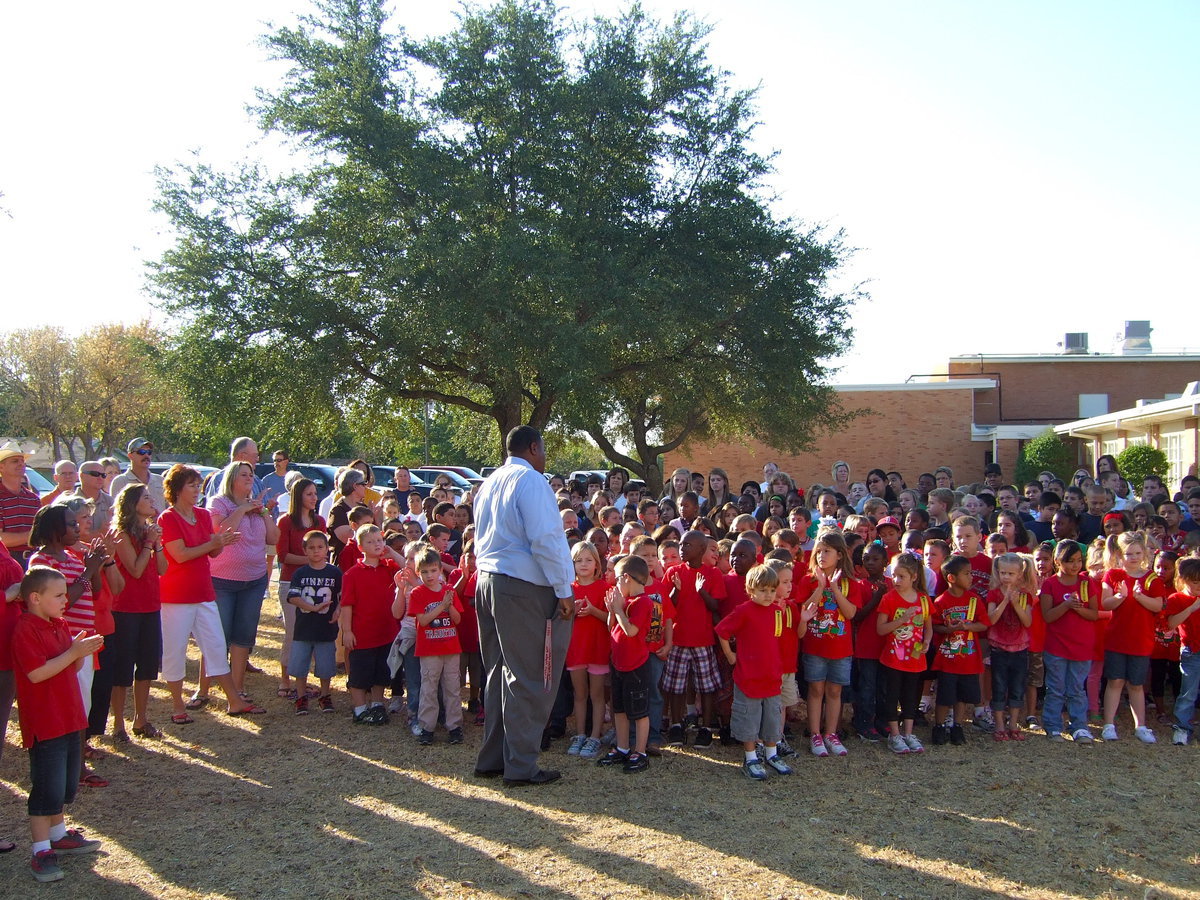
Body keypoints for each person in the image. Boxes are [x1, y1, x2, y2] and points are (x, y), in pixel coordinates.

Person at [472, 426, 576, 786]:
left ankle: (494, 757)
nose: (545, 457)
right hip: (522, 587)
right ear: (533, 447)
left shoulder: (489, 482)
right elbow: (546, 539)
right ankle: (521, 766)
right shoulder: (531, 481)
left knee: (499, 672)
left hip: (488, 581)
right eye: (543, 449)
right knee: (530, 676)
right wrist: (564, 589)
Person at [12, 567, 105, 883]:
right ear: (36, 598)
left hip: (69, 719)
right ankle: (41, 850)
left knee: (65, 785)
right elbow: (37, 673)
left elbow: (71, 664)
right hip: (46, 723)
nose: (67, 600)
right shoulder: (26, 629)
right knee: (46, 789)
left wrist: (79, 650)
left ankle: (58, 834)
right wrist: (73, 652)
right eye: (60, 595)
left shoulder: (61, 624)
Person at [157, 464, 263, 722]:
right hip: (176, 596)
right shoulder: (167, 518)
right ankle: (177, 705)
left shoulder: (203, 515)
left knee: (216, 646)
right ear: (177, 489)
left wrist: (219, 544)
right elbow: (179, 555)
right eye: (191, 485)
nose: (197, 489)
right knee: (175, 649)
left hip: (204, 592)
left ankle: (234, 701)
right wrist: (212, 544)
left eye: (198, 485)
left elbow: (213, 552)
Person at [196, 461, 278, 701]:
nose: (249, 478)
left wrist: (262, 511)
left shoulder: (257, 506)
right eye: (243, 474)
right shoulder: (218, 503)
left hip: (253, 580)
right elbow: (220, 531)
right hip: (222, 580)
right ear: (231, 478)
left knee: (243, 636)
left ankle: (238, 688)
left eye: (251, 474)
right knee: (215, 636)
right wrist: (242, 509)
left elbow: (273, 538)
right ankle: (203, 690)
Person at [715, 563, 792, 780]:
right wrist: (731, 655)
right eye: (762, 590)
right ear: (751, 590)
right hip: (748, 677)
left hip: (771, 676)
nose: (768, 595)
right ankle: (750, 757)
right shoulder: (743, 611)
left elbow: (776, 641)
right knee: (748, 719)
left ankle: (771, 754)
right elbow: (722, 631)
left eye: (771, 590)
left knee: (772, 719)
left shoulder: (778, 612)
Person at [795, 530, 863, 758]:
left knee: (835, 691)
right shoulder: (808, 580)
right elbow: (803, 608)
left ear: (840, 555)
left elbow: (851, 613)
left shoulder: (849, 583)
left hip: (841, 649)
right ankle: (815, 732)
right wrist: (819, 588)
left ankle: (831, 733)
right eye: (819, 551)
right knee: (815, 690)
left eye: (828, 551)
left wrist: (833, 588)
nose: (822, 556)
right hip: (815, 647)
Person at [108, 484, 167, 742]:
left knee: (146, 666)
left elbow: (162, 569)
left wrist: (158, 544)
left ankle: (141, 719)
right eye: (145, 497)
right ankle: (118, 723)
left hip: (151, 606)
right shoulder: (121, 534)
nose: (151, 500)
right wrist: (148, 544)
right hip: (126, 609)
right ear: (132, 504)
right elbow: (134, 569)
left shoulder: (149, 532)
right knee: (122, 668)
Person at [663, 529, 727, 748]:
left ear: (701, 549)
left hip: (703, 640)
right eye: (681, 544)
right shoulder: (673, 572)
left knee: (706, 686)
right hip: (679, 638)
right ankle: (676, 725)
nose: (683, 549)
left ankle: (706, 727)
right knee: (675, 686)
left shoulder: (713, 574)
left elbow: (715, 606)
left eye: (688, 545)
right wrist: (677, 591)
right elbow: (667, 605)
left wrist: (702, 592)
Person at [1099, 532, 1165, 743]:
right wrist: (1120, 596)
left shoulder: (1151, 578)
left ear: (1144, 553)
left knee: (1136, 684)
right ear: (1120, 554)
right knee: (1115, 680)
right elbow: (1105, 603)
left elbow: (1158, 605)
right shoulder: (1112, 575)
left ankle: (1141, 726)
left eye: (1137, 553)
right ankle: (1109, 724)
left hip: (1141, 639)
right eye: (1129, 554)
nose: (1133, 557)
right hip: (1116, 638)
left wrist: (1139, 596)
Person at [596, 554, 655, 773]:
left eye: (619, 579)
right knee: (618, 709)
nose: (616, 585)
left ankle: (640, 751)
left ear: (628, 578)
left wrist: (619, 609)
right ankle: (622, 747)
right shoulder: (624, 602)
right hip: (618, 663)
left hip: (636, 666)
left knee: (639, 712)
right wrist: (612, 610)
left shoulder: (643, 602)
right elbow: (612, 627)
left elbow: (631, 631)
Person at [1039, 541, 1099, 743]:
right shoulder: (1050, 584)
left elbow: (1094, 613)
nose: (1075, 565)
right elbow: (1047, 616)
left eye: (1078, 561)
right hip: (1056, 646)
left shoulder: (1086, 582)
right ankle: (1053, 726)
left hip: (1082, 646)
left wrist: (1078, 608)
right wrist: (1066, 605)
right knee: (1055, 688)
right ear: (1058, 561)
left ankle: (1079, 726)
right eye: (1069, 561)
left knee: (1077, 689)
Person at [404, 545, 465, 744]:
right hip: (429, 649)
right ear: (417, 572)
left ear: (440, 570)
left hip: (450, 647)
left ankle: (454, 726)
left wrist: (450, 605)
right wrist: (442, 606)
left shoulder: (449, 591)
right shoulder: (417, 593)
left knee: (452, 688)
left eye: (433, 571)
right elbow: (422, 621)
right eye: (424, 572)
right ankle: (426, 727)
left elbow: (457, 619)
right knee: (428, 688)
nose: (429, 576)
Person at [342, 524, 402, 725]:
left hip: (386, 631)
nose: (376, 544)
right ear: (360, 547)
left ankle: (377, 705)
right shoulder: (352, 574)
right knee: (360, 673)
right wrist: (347, 631)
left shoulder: (390, 567)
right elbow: (347, 605)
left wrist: (392, 553)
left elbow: (410, 570)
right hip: (362, 634)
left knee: (381, 672)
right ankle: (359, 709)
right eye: (370, 541)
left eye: (379, 540)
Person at [930, 555, 990, 746]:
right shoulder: (941, 601)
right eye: (966, 574)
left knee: (962, 696)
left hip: (969, 659)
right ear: (952, 578)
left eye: (971, 573)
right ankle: (939, 727)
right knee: (945, 696)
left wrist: (967, 627)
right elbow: (935, 626)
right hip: (948, 659)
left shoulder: (974, 600)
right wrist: (948, 629)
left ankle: (957, 726)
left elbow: (984, 625)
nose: (971, 577)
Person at [275, 477, 326, 699]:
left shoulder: (319, 521)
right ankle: (285, 680)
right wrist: (310, 560)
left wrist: (317, 562)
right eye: (309, 494)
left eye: (315, 493)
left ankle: (304, 681)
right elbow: (283, 556)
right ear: (298, 497)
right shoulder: (285, 522)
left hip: (317, 583)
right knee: (293, 632)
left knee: (311, 632)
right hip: (291, 582)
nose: (314, 498)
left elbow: (324, 552)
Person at [877, 554, 932, 754]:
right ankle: (894, 734)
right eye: (894, 576)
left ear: (914, 577)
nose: (896, 581)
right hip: (893, 658)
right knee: (892, 696)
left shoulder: (923, 599)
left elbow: (928, 626)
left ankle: (908, 733)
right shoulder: (889, 598)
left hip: (915, 657)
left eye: (902, 577)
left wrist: (926, 641)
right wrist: (902, 620)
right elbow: (881, 629)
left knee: (910, 696)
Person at [287, 530, 341, 715]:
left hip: (326, 628)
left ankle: (325, 695)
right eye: (311, 548)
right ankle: (301, 697)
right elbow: (293, 597)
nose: (316, 551)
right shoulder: (300, 573)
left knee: (326, 666)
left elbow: (343, 597)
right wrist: (313, 608)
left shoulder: (335, 572)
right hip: (304, 628)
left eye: (320, 547)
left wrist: (338, 610)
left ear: (327, 549)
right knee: (299, 665)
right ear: (304, 550)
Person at [985, 553, 1036, 743]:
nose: (1006, 577)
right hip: (999, 647)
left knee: (1017, 687)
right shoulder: (994, 593)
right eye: (1003, 573)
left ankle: (1013, 723)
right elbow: (990, 620)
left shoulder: (1025, 596)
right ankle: (999, 723)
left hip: (1020, 647)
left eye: (1010, 574)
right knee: (998, 686)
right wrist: (1005, 601)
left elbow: (1028, 621)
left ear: (1020, 574)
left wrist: (1015, 602)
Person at [565, 541, 609, 760]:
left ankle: (594, 736)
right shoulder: (568, 589)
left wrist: (592, 610)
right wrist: (571, 611)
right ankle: (580, 733)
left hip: (598, 648)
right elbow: (561, 616)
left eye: (588, 560)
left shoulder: (604, 588)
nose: (583, 564)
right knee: (580, 694)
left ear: (596, 564)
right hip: (576, 649)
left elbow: (612, 619)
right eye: (578, 560)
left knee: (597, 695)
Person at [1166, 558, 1200, 745]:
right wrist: (1192, 607)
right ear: (1184, 579)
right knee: (1188, 692)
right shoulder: (1177, 598)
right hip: (1191, 651)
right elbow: (1171, 623)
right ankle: (1182, 727)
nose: (1199, 586)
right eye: (1195, 582)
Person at [0, 442, 43, 566]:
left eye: (22, 460)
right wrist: (32, 535)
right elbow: (1, 539)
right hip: (5, 562)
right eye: (15, 461)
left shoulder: (33, 499)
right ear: (1, 467)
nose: (20, 464)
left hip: (34, 559)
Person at [109, 439, 166, 515]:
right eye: (141, 452)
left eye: (149, 452)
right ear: (130, 455)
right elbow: (115, 512)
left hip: (160, 526)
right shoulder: (120, 481)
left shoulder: (160, 480)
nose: (146, 455)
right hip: (132, 526)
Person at [69, 461, 113, 536]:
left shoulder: (111, 502)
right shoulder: (70, 503)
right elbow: (69, 536)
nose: (100, 478)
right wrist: (100, 533)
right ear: (81, 476)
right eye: (95, 474)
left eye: (103, 475)